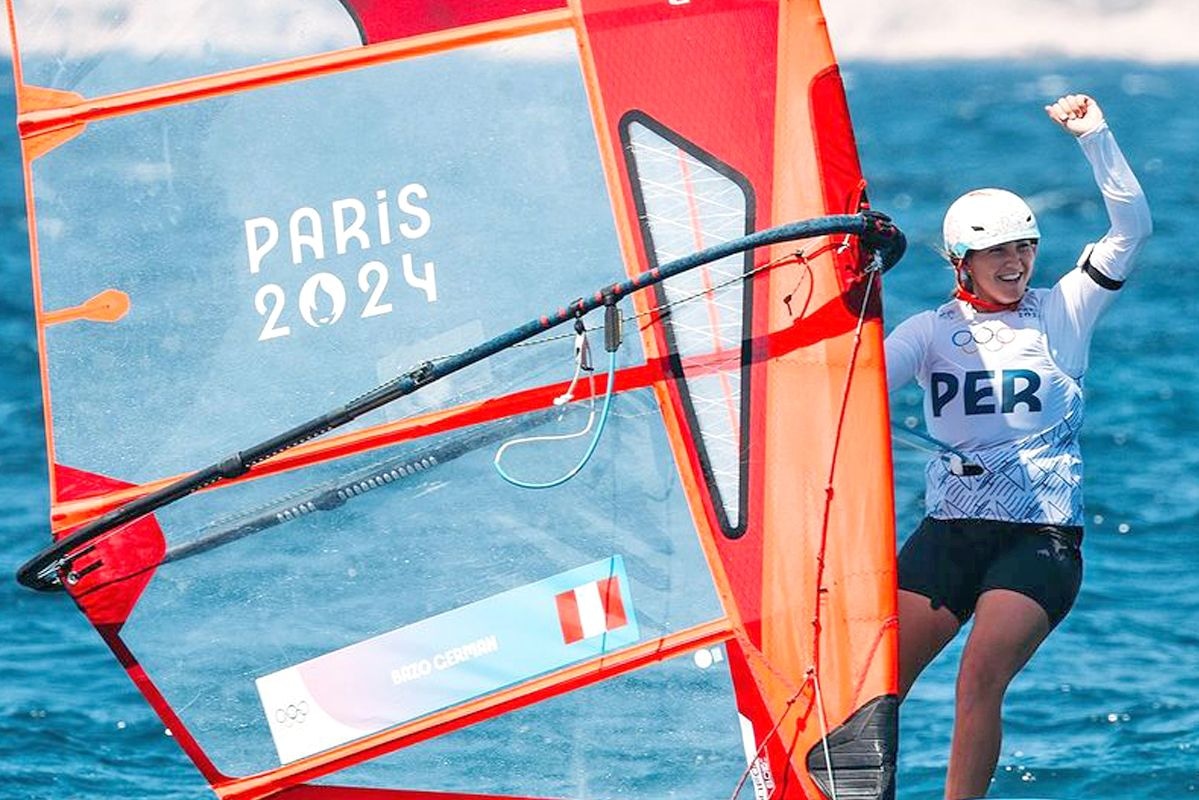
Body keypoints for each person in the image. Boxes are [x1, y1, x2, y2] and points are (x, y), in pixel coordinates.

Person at [884, 93, 1151, 799]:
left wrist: (1094, 136)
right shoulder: (927, 331)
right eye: (995, 251)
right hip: (948, 534)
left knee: (978, 677)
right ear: (959, 260)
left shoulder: (1063, 311)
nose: (1013, 262)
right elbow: (850, 382)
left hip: (1037, 541)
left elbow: (1130, 230)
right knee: (870, 682)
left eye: (1022, 247)